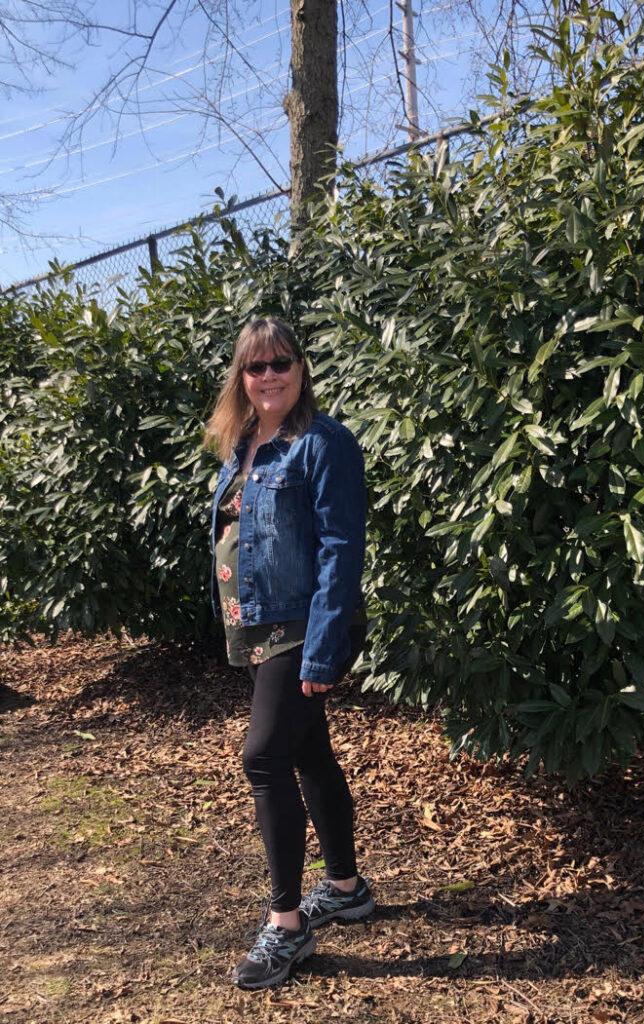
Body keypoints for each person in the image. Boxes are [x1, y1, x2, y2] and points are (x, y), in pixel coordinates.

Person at [204, 316, 374, 991]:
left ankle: (287, 926)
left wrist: (323, 651)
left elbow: (341, 550)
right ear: (240, 378)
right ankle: (345, 887)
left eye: (280, 363)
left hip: (302, 625)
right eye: (255, 366)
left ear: (300, 369)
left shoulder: (322, 444)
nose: (268, 376)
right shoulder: (242, 443)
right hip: (259, 622)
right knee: (307, 753)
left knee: (264, 758)